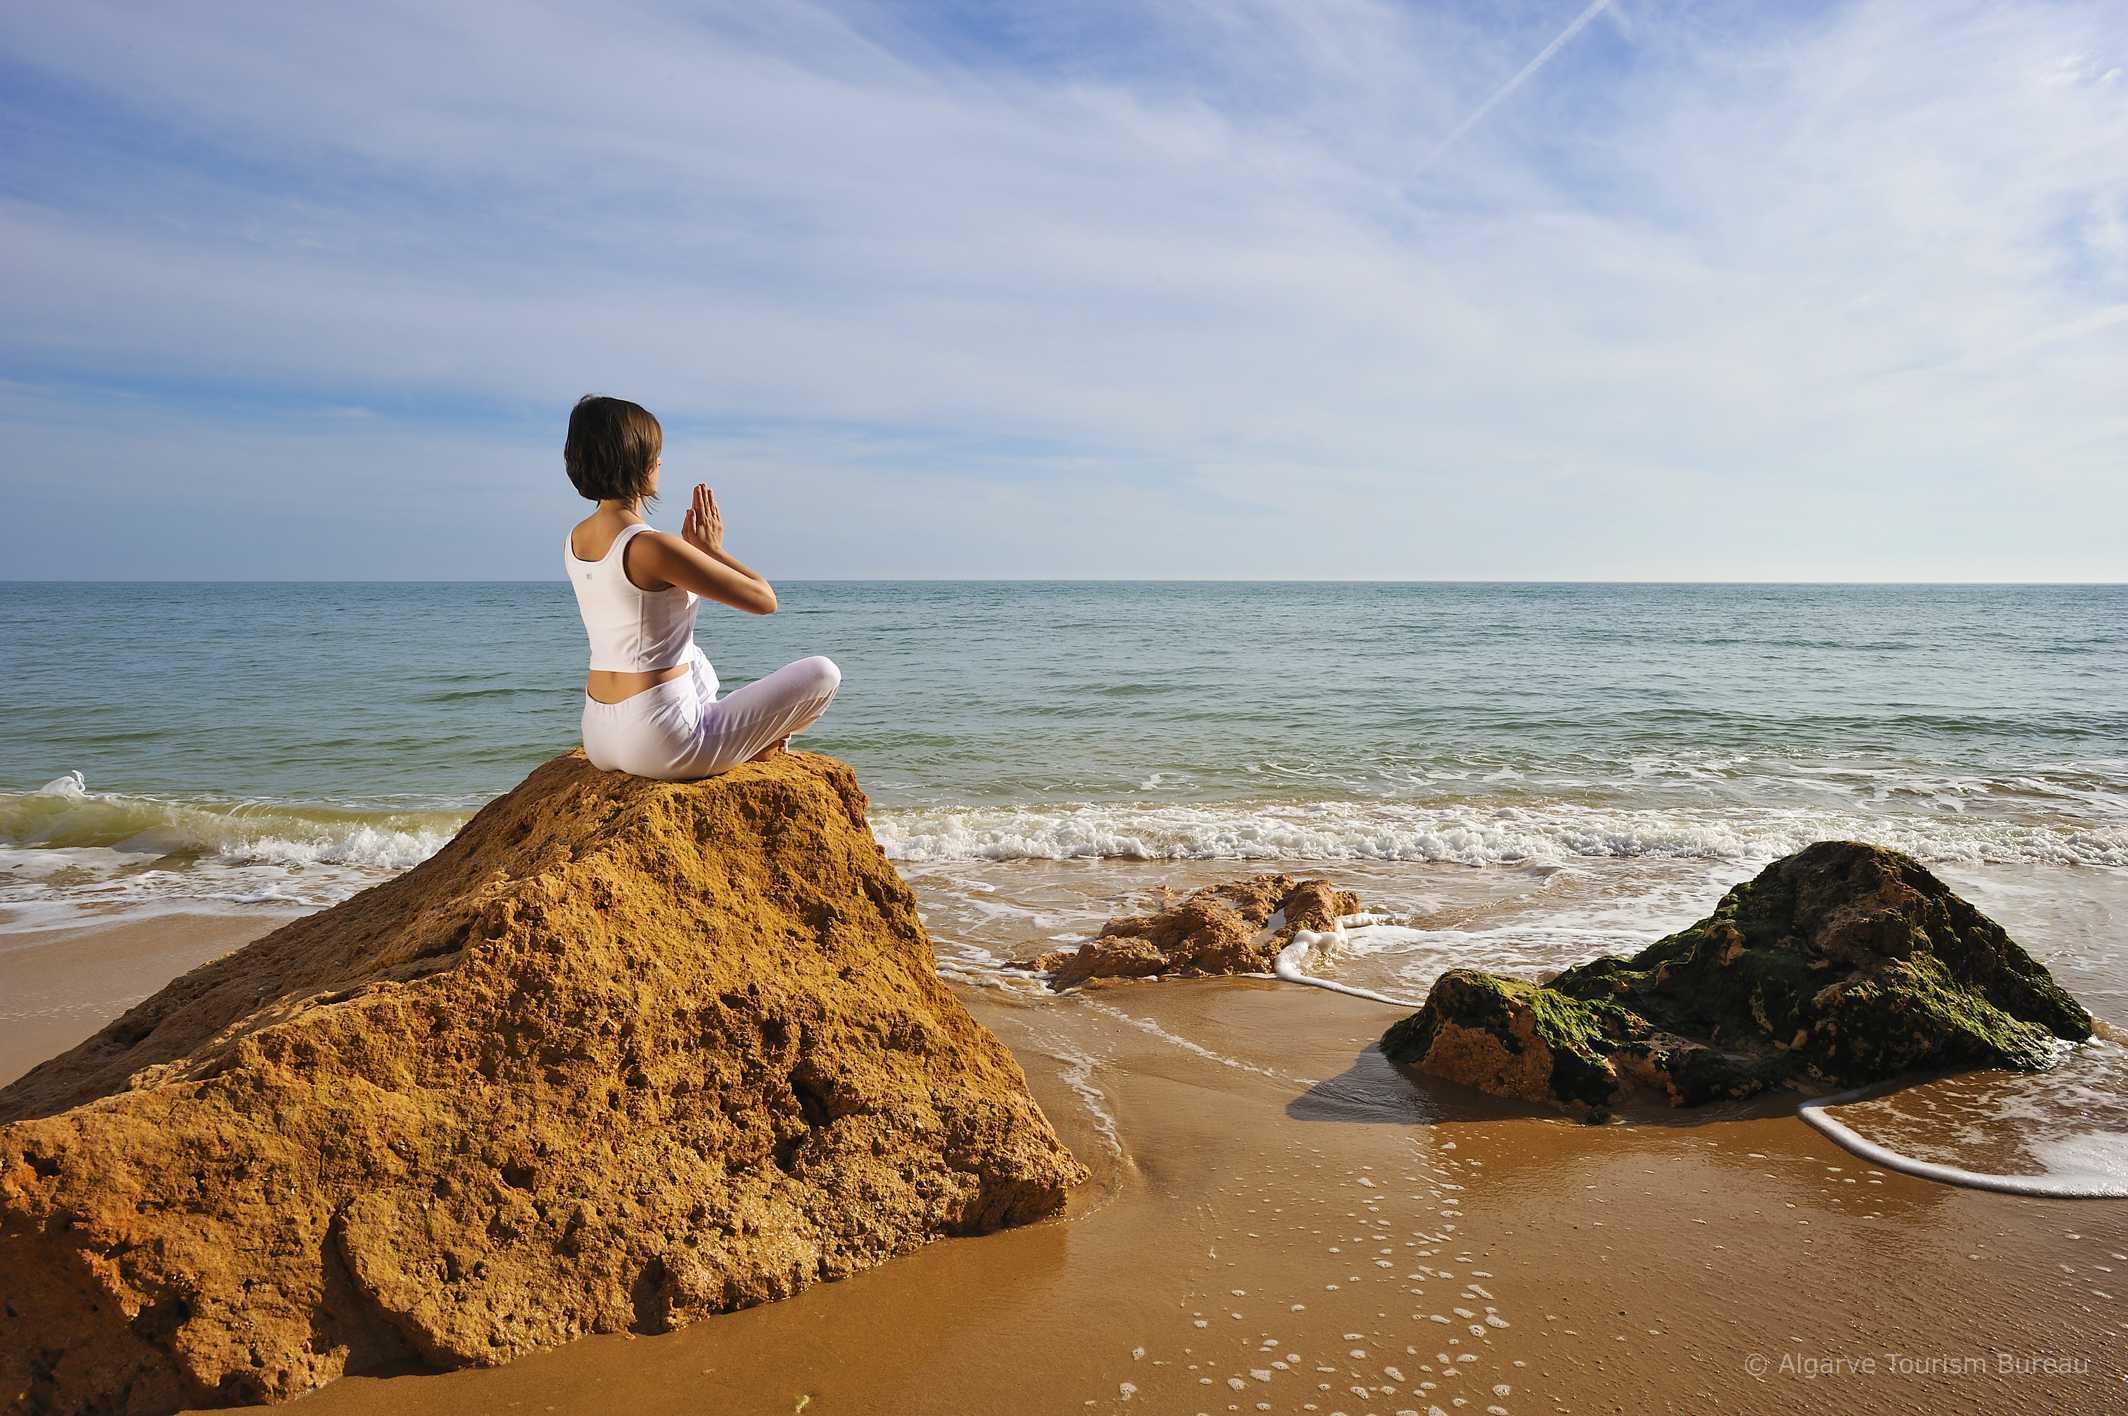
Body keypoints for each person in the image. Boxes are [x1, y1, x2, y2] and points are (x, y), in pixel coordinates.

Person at [562, 395, 840, 779]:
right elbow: (764, 600)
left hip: (598, 734)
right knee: (824, 673)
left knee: (692, 653)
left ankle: (737, 739)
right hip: (661, 740)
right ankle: (761, 743)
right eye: (655, 453)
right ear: (637, 460)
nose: (660, 462)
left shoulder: (575, 540)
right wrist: (714, 550)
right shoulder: (650, 546)